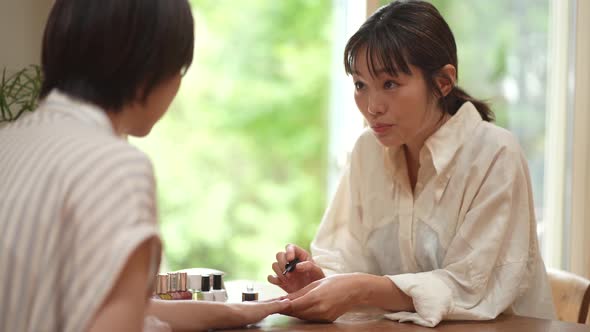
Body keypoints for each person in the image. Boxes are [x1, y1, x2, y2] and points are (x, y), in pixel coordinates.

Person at [0, 0, 288, 331]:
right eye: (179, 70)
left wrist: (232, 313)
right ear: (148, 69)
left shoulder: (9, 143)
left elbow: (119, 308)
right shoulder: (115, 166)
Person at [268, 0, 555, 327]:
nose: (372, 106)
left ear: (443, 82)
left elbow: (471, 286)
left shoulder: (495, 154)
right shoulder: (367, 150)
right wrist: (318, 280)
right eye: (361, 85)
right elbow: (344, 258)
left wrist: (360, 289)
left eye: (390, 84)